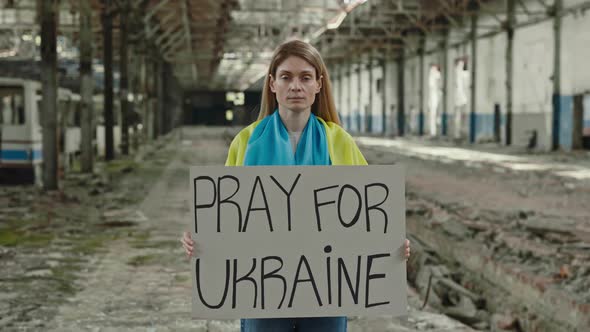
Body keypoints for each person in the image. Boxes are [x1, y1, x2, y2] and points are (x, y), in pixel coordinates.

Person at [181, 39, 411, 332]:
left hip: (326, 291)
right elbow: (226, 218)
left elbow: (368, 217)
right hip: (261, 290)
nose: (296, 86)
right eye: (286, 77)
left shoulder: (339, 141)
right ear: (272, 84)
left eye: (305, 77)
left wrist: (390, 244)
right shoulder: (246, 141)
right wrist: (199, 240)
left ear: (318, 85)